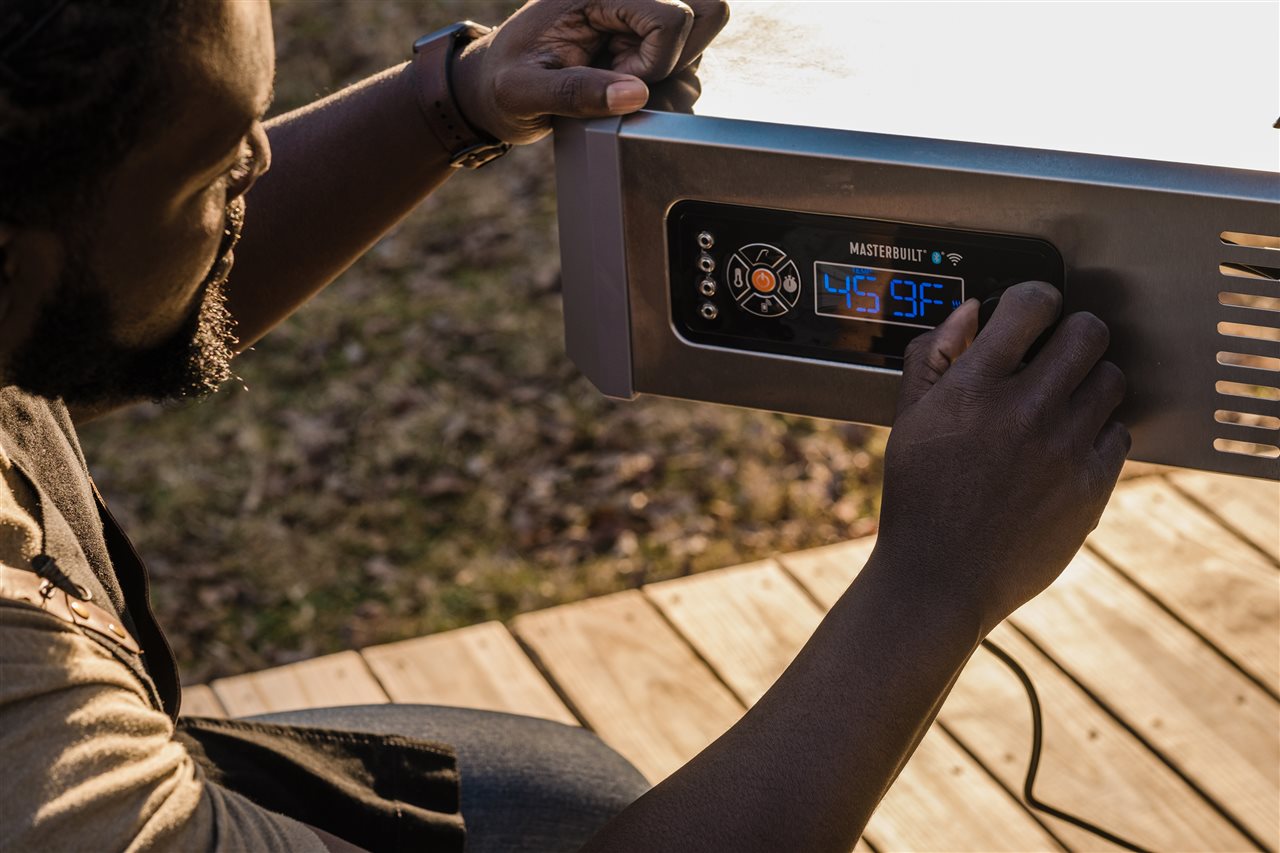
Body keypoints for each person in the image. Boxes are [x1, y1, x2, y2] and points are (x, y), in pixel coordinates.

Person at [0, 0, 1129, 850]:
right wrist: (934, 582)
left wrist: (455, 98)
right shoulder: (39, 764)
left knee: (559, 790)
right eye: (212, 169)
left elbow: (100, 312)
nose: (259, 163)